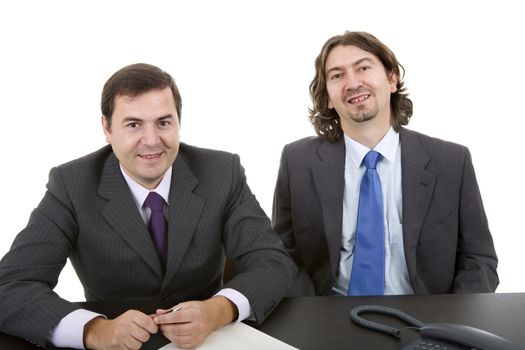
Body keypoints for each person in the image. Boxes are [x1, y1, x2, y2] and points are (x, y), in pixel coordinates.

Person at [0, 63, 295, 349]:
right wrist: (95, 330)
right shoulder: (72, 184)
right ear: (107, 127)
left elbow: (272, 261)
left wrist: (217, 311)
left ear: (179, 122)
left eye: (164, 122)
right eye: (133, 124)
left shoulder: (221, 171)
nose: (152, 141)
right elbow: (9, 287)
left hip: (209, 340)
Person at [272, 31, 498, 297]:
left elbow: (478, 259)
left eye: (363, 68)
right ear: (329, 98)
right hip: (328, 317)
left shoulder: (451, 161)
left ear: (392, 79)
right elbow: (280, 254)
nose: (353, 83)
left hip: (425, 319)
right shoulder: (297, 161)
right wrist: (311, 314)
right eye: (337, 75)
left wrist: (454, 326)